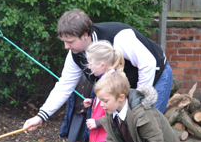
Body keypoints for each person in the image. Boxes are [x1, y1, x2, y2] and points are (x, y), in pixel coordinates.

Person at [23, 8, 172, 132]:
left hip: (156, 77)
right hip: (125, 91)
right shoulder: (75, 55)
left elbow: (148, 64)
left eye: (70, 42)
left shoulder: (118, 36)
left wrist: (136, 102)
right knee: (126, 138)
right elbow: (64, 86)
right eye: (64, 42)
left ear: (85, 35)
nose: (66, 47)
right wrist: (40, 117)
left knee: (144, 131)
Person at [60, 75, 97, 142]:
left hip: (91, 115)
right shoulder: (74, 73)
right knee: (76, 141)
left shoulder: (96, 75)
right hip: (76, 113)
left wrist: (93, 101)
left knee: (91, 141)